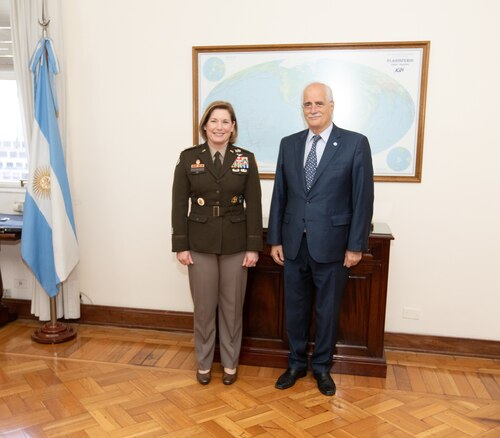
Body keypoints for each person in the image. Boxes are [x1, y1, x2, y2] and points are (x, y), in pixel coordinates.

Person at [267, 82, 374, 396]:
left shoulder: (355, 144)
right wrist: (275, 240)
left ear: (331, 105)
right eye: (306, 104)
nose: (312, 109)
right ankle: (296, 364)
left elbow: (362, 198)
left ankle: (323, 368)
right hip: (293, 244)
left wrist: (356, 245)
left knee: (327, 311)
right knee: (295, 309)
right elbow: (279, 196)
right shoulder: (289, 144)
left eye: (318, 103)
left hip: (334, 246)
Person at [172, 100, 263, 386]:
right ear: (205, 126)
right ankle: (203, 363)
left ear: (233, 127)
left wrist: (253, 247)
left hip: (237, 245)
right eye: (214, 121)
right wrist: (180, 245)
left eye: (225, 122)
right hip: (199, 244)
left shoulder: (245, 159)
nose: (219, 127)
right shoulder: (188, 158)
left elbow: (255, 205)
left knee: (232, 308)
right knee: (203, 308)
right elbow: (178, 204)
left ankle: (230, 364)